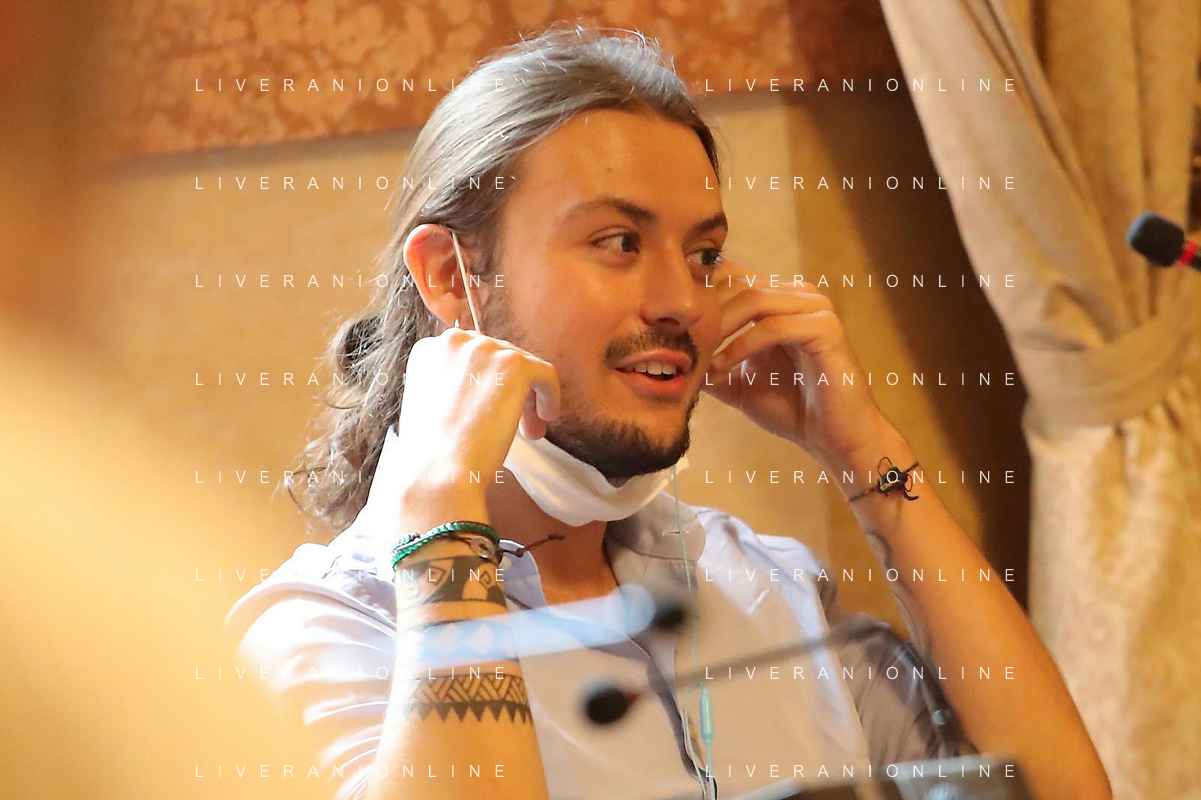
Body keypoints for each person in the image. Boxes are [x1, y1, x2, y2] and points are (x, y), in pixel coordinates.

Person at [226, 25, 1111, 800]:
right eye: (619, 242)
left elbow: (1053, 793)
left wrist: (866, 454)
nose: (684, 302)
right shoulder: (329, 630)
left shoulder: (762, 583)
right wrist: (441, 508)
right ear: (451, 278)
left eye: (703, 254)